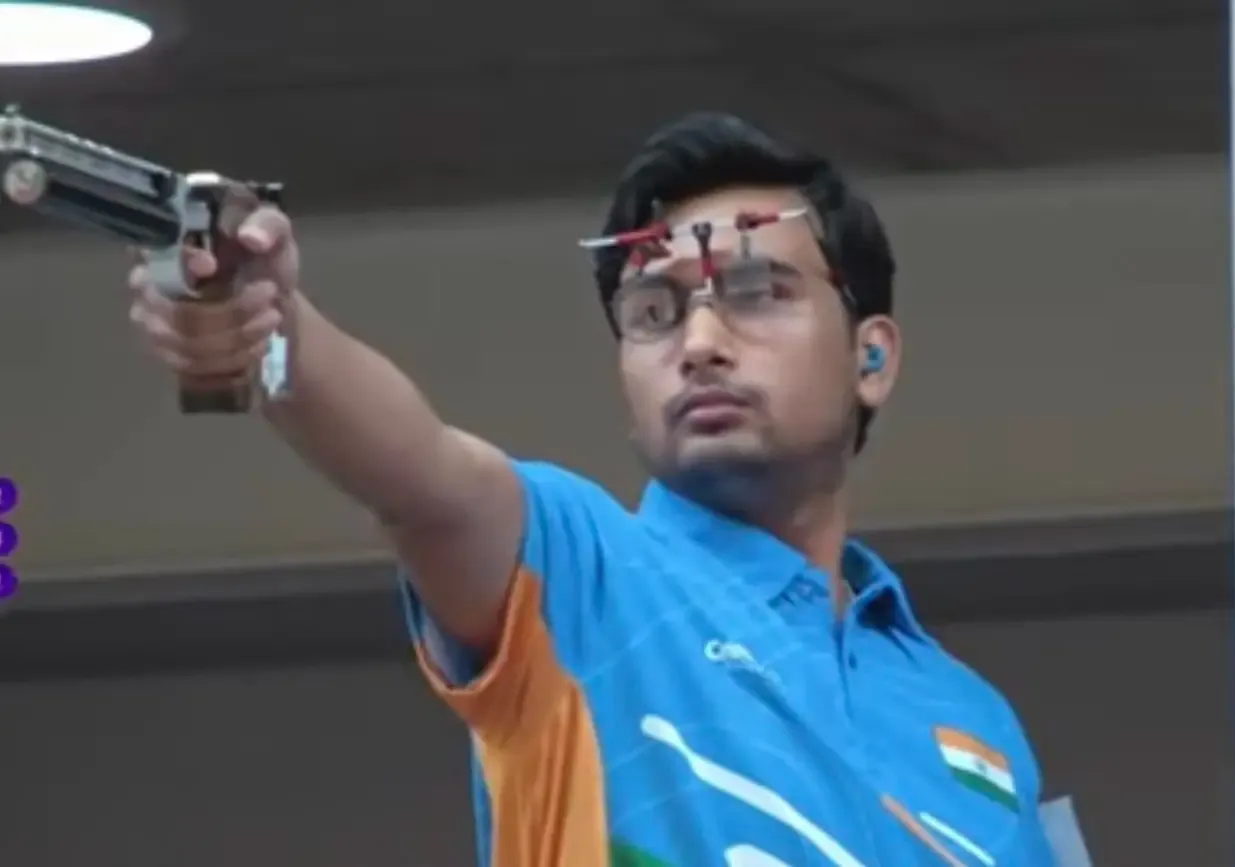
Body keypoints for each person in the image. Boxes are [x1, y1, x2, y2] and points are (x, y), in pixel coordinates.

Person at [126, 112, 1059, 867]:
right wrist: (271, 327)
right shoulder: (584, 572)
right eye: (652, 312)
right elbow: (421, 480)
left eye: (755, 291)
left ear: (872, 357)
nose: (699, 343)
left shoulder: (975, 719)